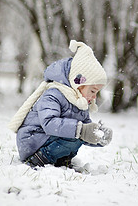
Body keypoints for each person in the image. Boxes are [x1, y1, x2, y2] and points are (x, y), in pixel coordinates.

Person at [8, 40, 113, 168]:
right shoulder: (53, 95)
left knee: (77, 133)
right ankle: (39, 159)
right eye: (92, 91)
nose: (94, 97)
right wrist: (82, 131)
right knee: (75, 134)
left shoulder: (80, 103)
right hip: (33, 142)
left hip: (50, 140)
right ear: (78, 83)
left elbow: (84, 132)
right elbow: (49, 123)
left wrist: (98, 137)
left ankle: (59, 158)